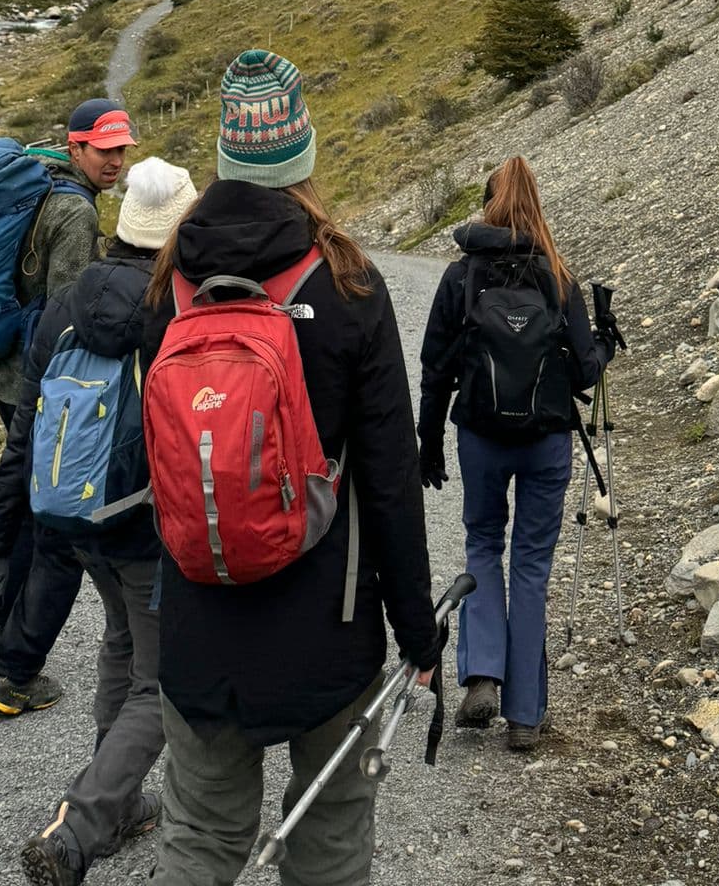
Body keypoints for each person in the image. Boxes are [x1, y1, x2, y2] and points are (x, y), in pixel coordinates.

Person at [140, 49, 441, 886]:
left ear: (225, 154)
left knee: (199, 837)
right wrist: (416, 629)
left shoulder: (169, 285)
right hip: (328, 629)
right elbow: (390, 475)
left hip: (199, 625)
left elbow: (159, 458)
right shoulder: (348, 283)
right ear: (302, 152)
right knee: (331, 841)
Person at [0, 157, 198, 885]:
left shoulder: (64, 304)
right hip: (147, 523)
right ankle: (83, 823)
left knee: (121, 640)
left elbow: (25, 434)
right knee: (162, 684)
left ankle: (122, 798)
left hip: (71, 516)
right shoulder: (173, 312)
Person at [416, 156, 606, 752]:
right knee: (530, 566)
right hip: (547, 441)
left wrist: (428, 443)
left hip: (481, 437)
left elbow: (434, 368)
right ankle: (526, 714)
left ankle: (481, 675)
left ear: (488, 203)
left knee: (482, 544)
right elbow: (585, 370)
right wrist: (605, 336)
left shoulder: (462, 276)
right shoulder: (558, 274)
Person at [0, 100, 135, 705]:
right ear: (75, 147)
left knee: (27, 506)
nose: (114, 160)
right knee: (54, 531)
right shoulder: (74, 211)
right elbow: (71, 312)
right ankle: (17, 675)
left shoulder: (40, 191)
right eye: (103, 149)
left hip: (8, 375)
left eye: (121, 150)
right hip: (40, 389)